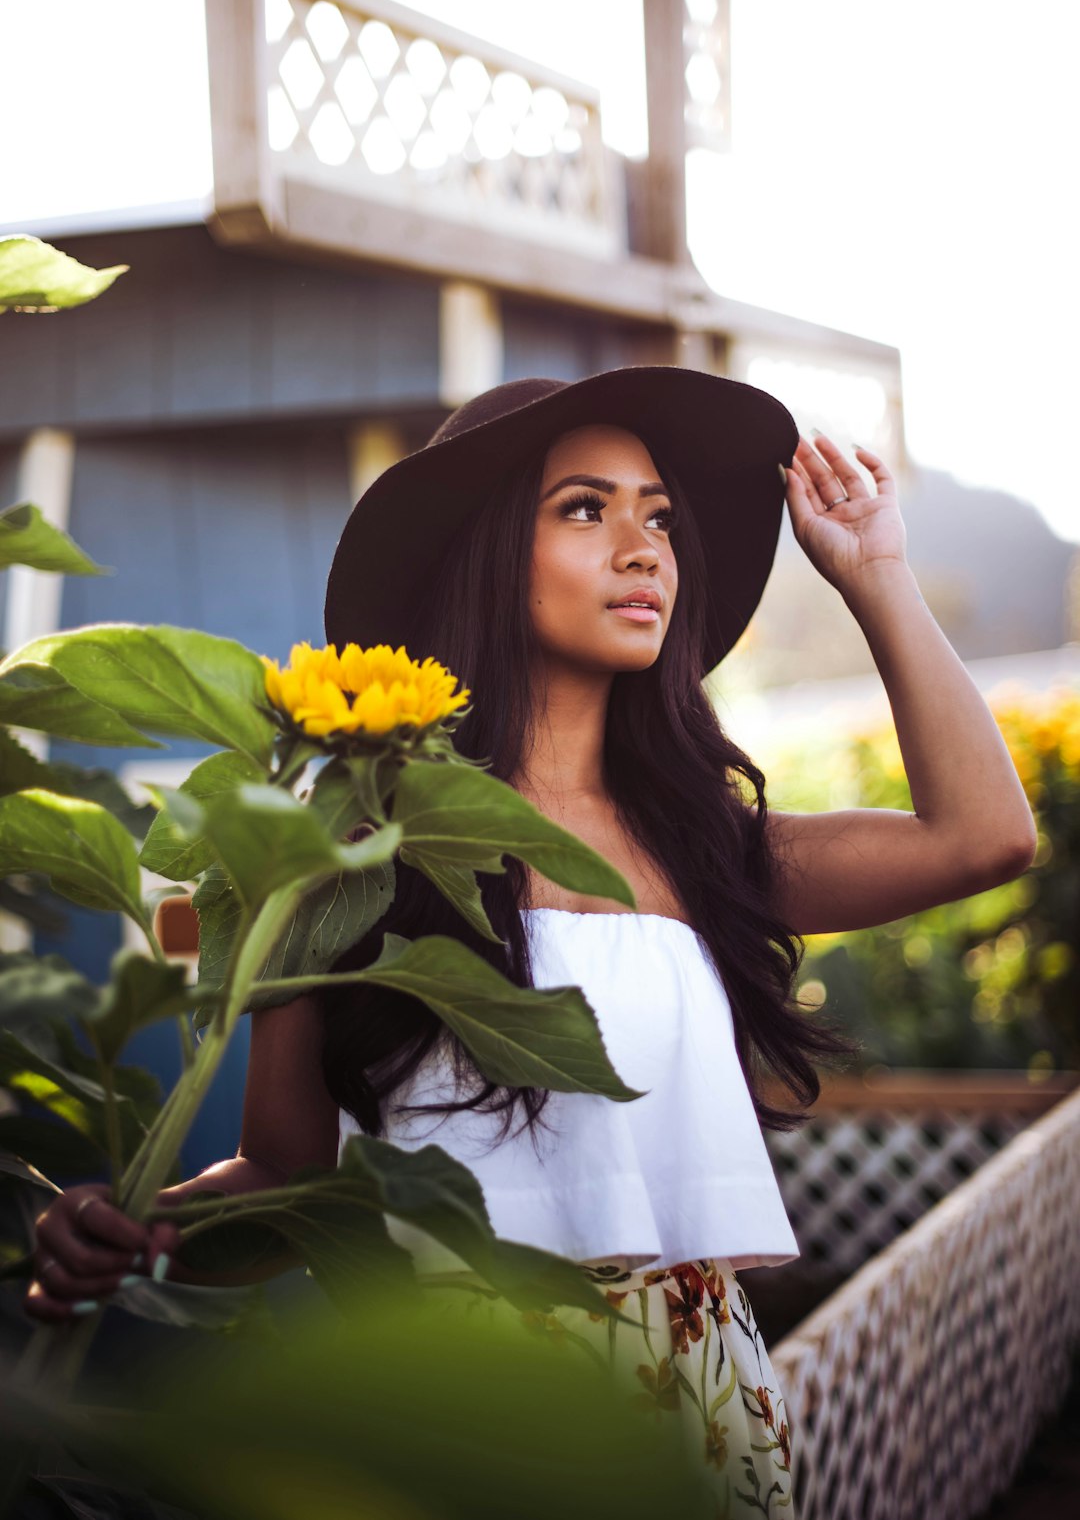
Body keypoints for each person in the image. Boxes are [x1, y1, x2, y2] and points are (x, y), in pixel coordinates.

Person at [24, 368, 1037, 1513]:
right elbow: (286, 1176)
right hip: (465, 1417)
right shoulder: (352, 850)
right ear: (493, 555)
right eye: (586, 508)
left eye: (658, 515)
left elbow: (984, 837)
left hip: (709, 1413)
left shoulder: (706, 852)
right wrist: (133, 1226)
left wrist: (878, 573)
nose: (643, 545)